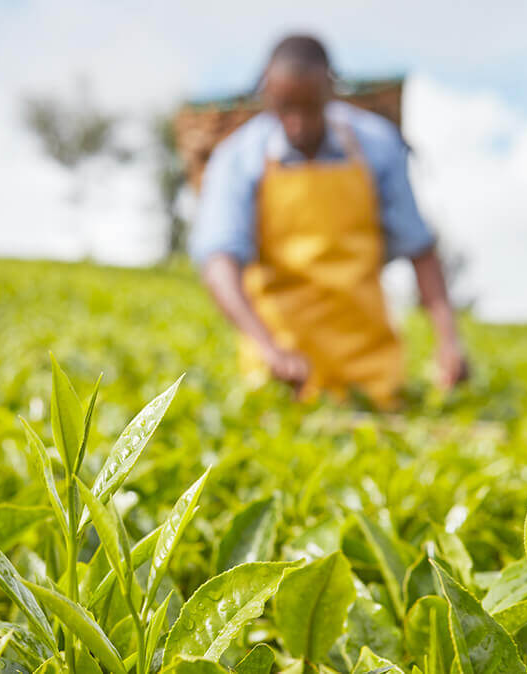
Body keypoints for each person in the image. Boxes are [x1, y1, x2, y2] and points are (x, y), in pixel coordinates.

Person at [190, 35, 468, 408]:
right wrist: (270, 350)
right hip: (277, 376)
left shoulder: (377, 144)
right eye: (286, 107)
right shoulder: (238, 158)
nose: (299, 123)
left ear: (331, 91)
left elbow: (420, 249)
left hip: (372, 375)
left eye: (311, 107)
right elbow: (219, 265)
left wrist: (448, 341)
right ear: (266, 93)